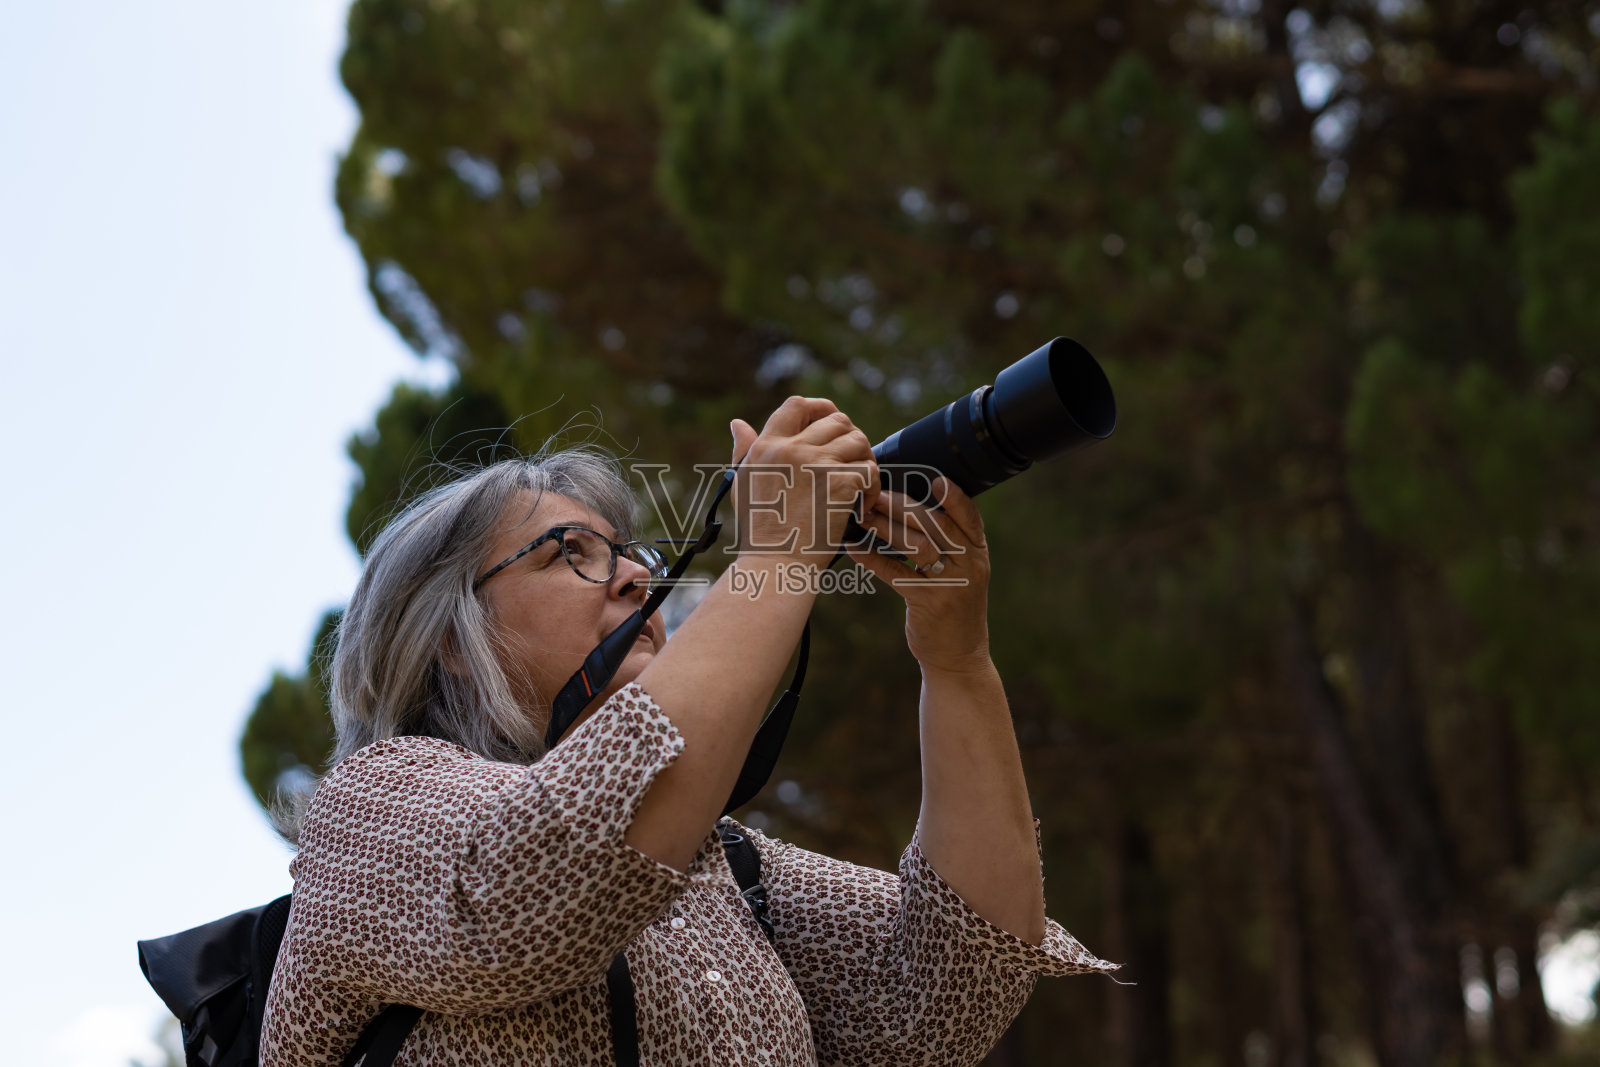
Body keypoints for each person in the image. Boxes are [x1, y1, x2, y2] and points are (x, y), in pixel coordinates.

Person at [261, 396, 1115, 1067]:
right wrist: (780, 557)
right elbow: (532, 890)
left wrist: (957, 659)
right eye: (572, 552)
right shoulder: (370, 808)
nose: (638, 577)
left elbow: (958, 985)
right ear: (449, 635)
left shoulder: (723, 864)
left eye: (631, 551)